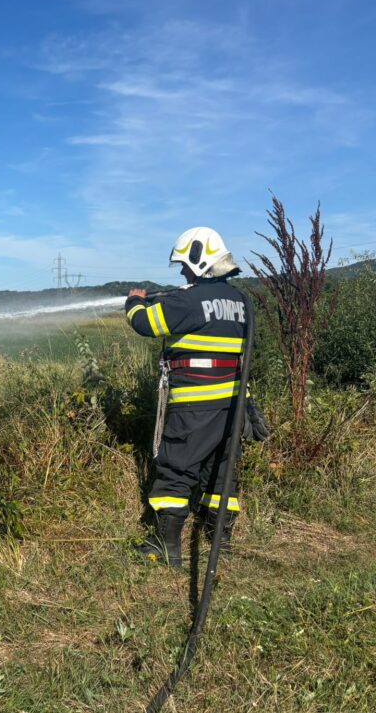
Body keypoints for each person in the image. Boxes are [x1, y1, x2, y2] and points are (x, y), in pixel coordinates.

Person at [124, 227, 248, 567]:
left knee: (176, 468)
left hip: (195, 403)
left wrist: (134, 301)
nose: (181, 272)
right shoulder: (240, 302)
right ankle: (219, 540)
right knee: (220, 472)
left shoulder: (189, 300)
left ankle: (165, 547)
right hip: (232, 404)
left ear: (200, 260)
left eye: (184, 266)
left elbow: (146, 324)